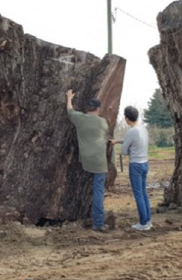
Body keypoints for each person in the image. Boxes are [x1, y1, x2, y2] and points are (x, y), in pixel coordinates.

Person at [65, 89, 110, 232]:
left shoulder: (80, 118)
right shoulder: (103, 122)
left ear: (87, 108)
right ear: (98, 109)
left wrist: (69, 97)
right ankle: (98, 223)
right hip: (99, 161)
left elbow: (70, 111)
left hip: (84, 160)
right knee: (98, 191)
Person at [112, 106, 152, 231]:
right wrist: (118, 141)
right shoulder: (143, 129)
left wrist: (124, 147)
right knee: (144, 193)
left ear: (126, 118)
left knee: (138, 194)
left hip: (135, 165)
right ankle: (147, 220)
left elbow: (124, 152)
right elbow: (131, 141)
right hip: (145, 163)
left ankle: (143, 223)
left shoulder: (131, 132)